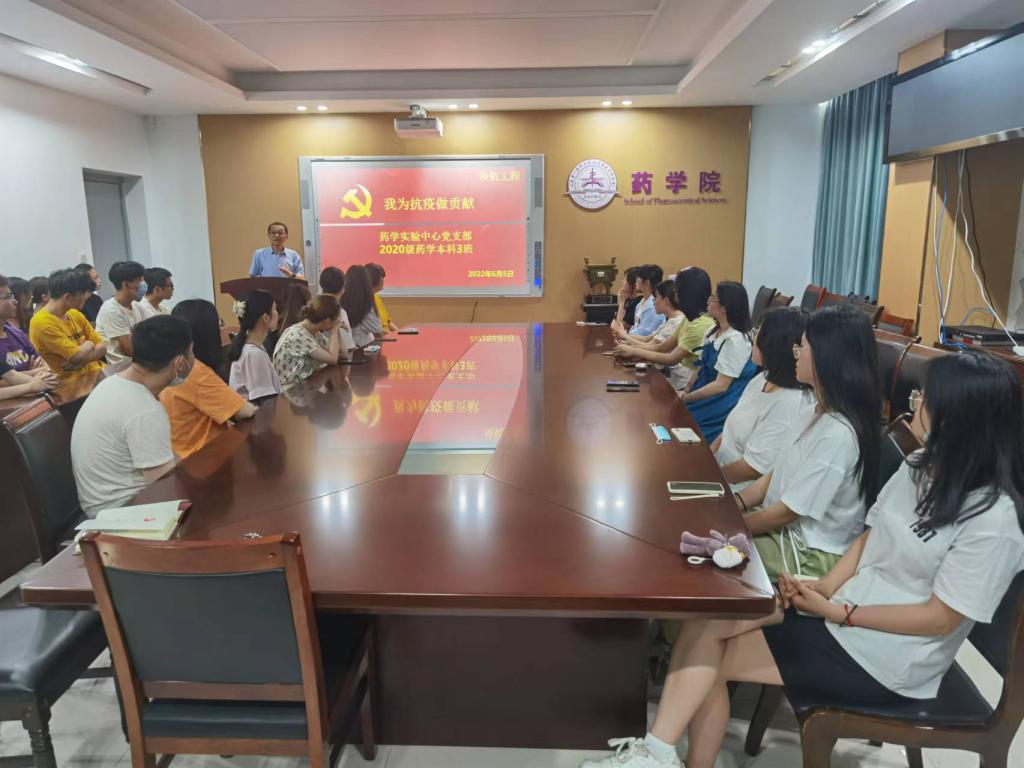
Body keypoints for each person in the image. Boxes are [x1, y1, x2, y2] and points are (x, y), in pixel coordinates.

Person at [583, 350, 1024, 768]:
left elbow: (940, 618)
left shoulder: (993, 521)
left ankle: (659, 753)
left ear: (961, 418)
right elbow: (869, 537)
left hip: (888, 657)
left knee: (706, 652)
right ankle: (659, 752)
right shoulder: (921, 466)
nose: (915, 405)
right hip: (846, 613)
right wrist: (825, 587)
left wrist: (839, 611)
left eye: (924, 398)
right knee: (708, 623)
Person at [735, 304, 881, 581]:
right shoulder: (812, 410)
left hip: (810, 552)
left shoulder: (839, 434)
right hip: (783, 532)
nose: (796, 354)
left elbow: (786, 513)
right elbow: (774, 475)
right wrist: (736, 504)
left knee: (710, 557)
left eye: (802, 347)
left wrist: (733, 525)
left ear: (827, 357)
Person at [70, 315, 191, 516]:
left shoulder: (112, 383)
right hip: (124, 514)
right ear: (179, 362)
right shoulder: (144, 409)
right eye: (191, 351)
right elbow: (166, 487)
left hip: (104, 507)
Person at [712, 307, 814, 492]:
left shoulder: (790, 403)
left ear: (775, 344)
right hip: (720, 473)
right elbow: (728, 432)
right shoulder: (763, 378)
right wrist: (708, 458)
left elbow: (752, 469)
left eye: (759, 332)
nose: (753, 337)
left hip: (740, 491)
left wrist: (708, 476)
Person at [160, 300, 256, 459]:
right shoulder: (195, 372)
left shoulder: (170, 364)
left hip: (184, 455)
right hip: (207, 458)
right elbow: (245, 412)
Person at [613, 269, 714, 390]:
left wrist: (633, 350)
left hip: (685, 385)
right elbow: (661, 347)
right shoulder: (688, 319)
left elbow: (671, 359)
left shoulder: (698, 324)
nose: (674, 293)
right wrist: (631, 348)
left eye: (677, 289)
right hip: (676, 379)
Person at [681, 281, 756, 441]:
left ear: (725, 307)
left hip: (722, 400)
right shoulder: (713, 331)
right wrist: (686, 390)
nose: (708, 301)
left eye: (713, 298)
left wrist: (686, 398)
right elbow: (700, 367)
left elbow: (721, 385)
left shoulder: (736, 340)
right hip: (704, 389)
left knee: (683, 423)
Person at [29, 269, 107, 379]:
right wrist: (89, 344)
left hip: (96, 375)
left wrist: (82, 358)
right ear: (68, 297)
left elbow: (103, 347)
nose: (85, 297)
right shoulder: (41, 322)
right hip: (71, 384)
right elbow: (77, 356)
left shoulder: (75, 314)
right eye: (83, 293)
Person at [272, 294, 342, 388]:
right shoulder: (298, 334)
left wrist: (337, 329)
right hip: (288, 390)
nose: (338, 322)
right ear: (328, 321)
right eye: (337, 319)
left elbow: (341, 354)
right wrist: (334, 331)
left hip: (303, 386)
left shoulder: (314, 333)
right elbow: (332, 359)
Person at [228, 289, 283, 402]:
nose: (277, 313)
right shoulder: (254, 354)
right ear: (265, 317)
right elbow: (263, 401)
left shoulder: (252, 347)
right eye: (275, 309)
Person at [95, 260, 145, 366]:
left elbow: (147, 337)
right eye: (139, 280)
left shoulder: (137, 306)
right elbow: (130, 350)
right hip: (121, 367)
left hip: (138, 363)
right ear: (126, 284)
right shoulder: (111, 310)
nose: (143, 284)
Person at [615, 280, 684, 349]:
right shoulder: (671, 319)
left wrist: (626, 338)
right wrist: (625, 338)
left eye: (655, 298)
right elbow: (648, 339)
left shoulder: (676, 321)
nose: (653, 302)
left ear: (666, 300)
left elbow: (653, 347)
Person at [0, 274, 47, 372]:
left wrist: (35, 373)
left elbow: (41, 364)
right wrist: (32, 373)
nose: (15, 302)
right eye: (8, 296)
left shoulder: (17, 334)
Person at [341, 265, 383, 347]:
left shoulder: (342, 300)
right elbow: (378, 332)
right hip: (364, 348)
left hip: (349, 348)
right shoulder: (365, 304)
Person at [319, 266, 354, 359]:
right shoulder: (339, 312)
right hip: (336, 361)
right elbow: (348, 347)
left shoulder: (315, 307)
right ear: (343, 287)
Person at [628, 265, 665, 337]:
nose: (636, 280)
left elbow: (644, 334)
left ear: (646, 283)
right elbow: (636, 328)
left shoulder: (653, 306)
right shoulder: (642, 301)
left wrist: (625, 336)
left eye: (638, 277)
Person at [366, 263, 398, 333]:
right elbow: (376, 331)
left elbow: (388, 322)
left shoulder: (376, 297)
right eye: (382, 278)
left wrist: (398, 332)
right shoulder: (364, 301)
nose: (383, 281)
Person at [610, 267, 641, 334]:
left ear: (634, 284)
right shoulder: (629, 300)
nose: (622, 282)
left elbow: (618, 327)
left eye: (625, 280)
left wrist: (621, 303)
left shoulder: (637, 302)